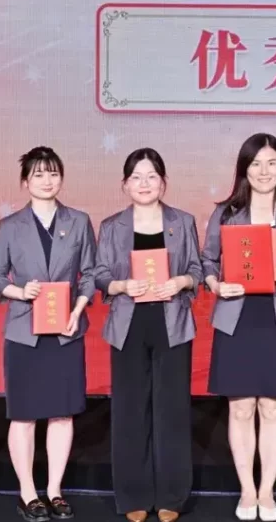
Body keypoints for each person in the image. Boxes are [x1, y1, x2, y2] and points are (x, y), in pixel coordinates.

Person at [202, 133, 276, 522]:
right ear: (243, 169)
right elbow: (208, 260)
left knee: (271, 407)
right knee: (240, 408)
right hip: (236, 316)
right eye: (255, 164)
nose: (263, 171)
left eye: (271, 163)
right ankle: (246, 491)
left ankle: (267, 492)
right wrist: (216, 284)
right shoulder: (226, 213)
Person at [95, 148, 204, 522]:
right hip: (128, 323)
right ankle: (133, 496)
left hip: (172, 322)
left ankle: (172, 495)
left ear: (164, 182)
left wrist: (181, 281)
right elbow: (100, 275)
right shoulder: (112, 226)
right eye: (136, 177)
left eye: (152, 176)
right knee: (130, 411)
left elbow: (197, 270)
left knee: (172, 410)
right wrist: (122, 285)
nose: (144, 184)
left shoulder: (182, 222)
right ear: (125, 185)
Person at [0, 146, 98, 522]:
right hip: (24, 331)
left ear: (61, 178)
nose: (47, 180)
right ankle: (27, 493)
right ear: (25, 182)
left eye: (53, 173)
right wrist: (21, 292)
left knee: (62, 414)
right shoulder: (10, 225)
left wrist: (78, 309)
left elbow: (90, 273)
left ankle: (54, 490)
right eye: (38, 174)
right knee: (23, 415)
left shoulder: (79, 221)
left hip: (66, 330)